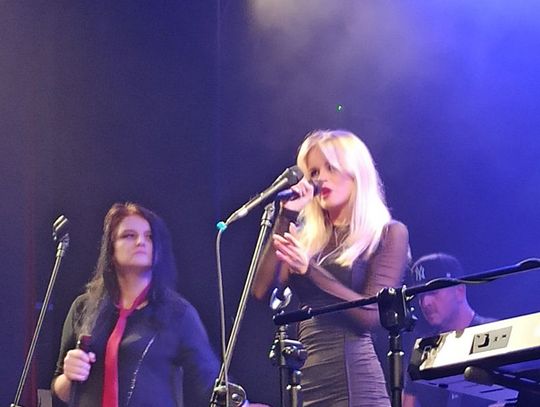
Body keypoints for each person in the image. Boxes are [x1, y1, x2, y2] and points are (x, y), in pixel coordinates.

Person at [252, 129, 410, 407]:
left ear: (355, 173)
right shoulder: (308, 240)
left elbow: (370, 316)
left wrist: (309, 271)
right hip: (308, 379)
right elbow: (261, 290)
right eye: (313, 172)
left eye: (330, 168)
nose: (320, 178)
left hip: (355, 380)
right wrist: (286, 215)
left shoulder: (387, 233)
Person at [51, 202, 255, 407]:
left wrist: (243, 404)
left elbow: (209, 381)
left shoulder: (177, 313)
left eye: (149, 237)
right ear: (110, 250)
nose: (141, 242)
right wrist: (69, 378)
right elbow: (58, 391)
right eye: (129, 235)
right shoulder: (83, 308)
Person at [403, 253, 495, 407]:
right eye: (421, 295)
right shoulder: (422, 349)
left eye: (433, 292)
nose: (425, 303)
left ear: (459, 291)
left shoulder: (493, 334)